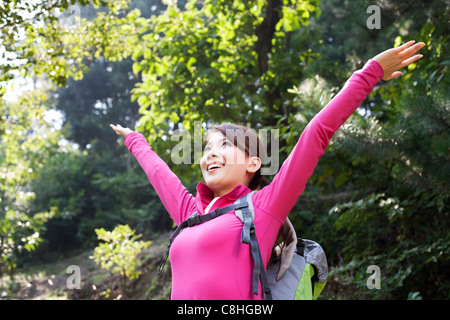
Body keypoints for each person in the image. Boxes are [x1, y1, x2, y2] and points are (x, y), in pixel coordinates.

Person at [110, 41, 425, 300]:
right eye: (207, 150)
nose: (211, 155)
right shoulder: (189, 215)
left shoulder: (262, 207)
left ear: (252, 163)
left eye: (223, 146)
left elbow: (316, 134)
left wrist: (367, 74)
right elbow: (158, 172)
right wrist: (134, 140)